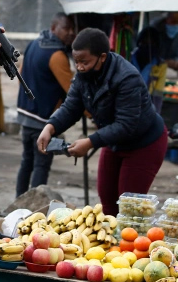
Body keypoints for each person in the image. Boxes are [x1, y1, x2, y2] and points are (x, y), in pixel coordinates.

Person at [37, 28, 168, 217]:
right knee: (107, 199)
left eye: (85, 62)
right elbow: (71, 107)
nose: (80, 67)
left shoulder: (127, 77)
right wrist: (50, 127)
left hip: (144, 144)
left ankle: (129, 236)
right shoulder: (83, 76)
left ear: (103, 57)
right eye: (76, 61)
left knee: (128, 206)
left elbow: (126, 124)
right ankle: (110, 236)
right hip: (113, 140)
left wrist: (90, 142)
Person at [15, 12, 76, 197]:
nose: (70, 33)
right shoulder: (57, 55)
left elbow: (21, 74)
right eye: (66, 28)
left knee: (27, 162)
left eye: (72, 29)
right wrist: (92, 114)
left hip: (25, 115)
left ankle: (18, 203)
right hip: (43, 121)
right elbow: (72, 90)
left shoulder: (34, 43)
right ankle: (34, 206)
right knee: (41, 165)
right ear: (54, 28)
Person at [130, 26, 168, 113]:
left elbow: (157, 96)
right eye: (144, 42)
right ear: (139, 42)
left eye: (151, 43)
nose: (147, 46)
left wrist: (154, 116)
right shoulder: (128, 58)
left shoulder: (160, 65)